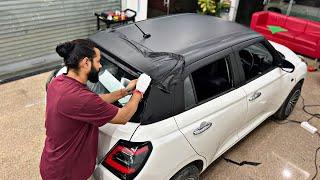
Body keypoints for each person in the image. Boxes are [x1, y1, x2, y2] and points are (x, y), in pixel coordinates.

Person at [39, 39, 151, 180]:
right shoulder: (80, 99)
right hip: (67, 174)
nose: (100, 66)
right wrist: (139, 91)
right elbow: (123, 116)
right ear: (86, 62)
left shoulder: (59, 82)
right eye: (98, 61)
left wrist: (124, 91)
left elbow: (94, 100)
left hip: (53, 163)